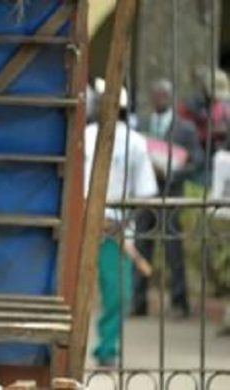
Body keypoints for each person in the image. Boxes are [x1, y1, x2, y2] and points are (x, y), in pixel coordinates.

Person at [84, 83, 159, 366]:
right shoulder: (85, 137)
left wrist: (121, 223)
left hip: (118, 232)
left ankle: (106, 349)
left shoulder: (135, 143)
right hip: (82, 227)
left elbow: (146, 192)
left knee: (118, 294)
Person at [132, 79, 203, 318]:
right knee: (142, 246)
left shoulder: (185, 128)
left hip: (172, 195)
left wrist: (175, 170)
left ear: (170, 97)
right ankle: (138, 302)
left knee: (174, 250)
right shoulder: (141, 124)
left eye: (164, 94)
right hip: (146, 194)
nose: (160, 98)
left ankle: (179, 302)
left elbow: (197, 160)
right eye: (156, 94)